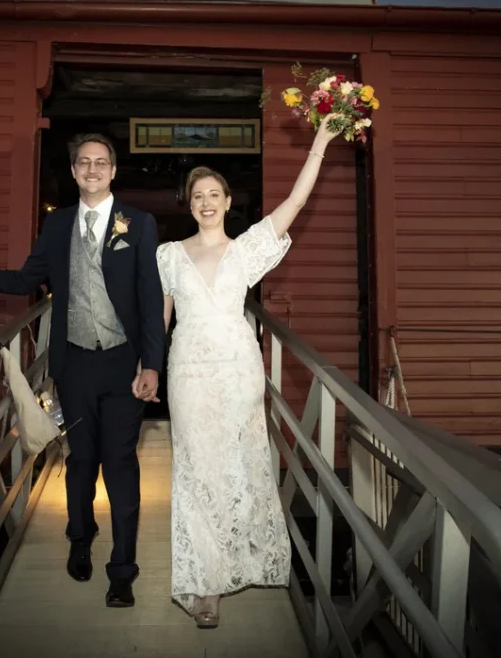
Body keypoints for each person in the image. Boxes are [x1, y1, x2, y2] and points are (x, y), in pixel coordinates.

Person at [0, 133, 166, 609]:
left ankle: (122, 569)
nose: (92, 169)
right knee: (81, 461)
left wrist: (152, 365)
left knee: (121, 465)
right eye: (83, 162)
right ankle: (80, 540)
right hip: (76, 362)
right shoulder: (58, 225)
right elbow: (26, 279)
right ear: (74, 171)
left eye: (100, 162)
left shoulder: (138, 224)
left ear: (113, 170)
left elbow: (150, 302)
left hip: (125, 364)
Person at [150, 116, 343, 627]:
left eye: (215, 194)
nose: (207, 202)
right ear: (189, 205)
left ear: (228, 202)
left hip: (238, 370)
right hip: (188, 371)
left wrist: (320, 143)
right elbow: (160, 319)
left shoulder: (246, 250)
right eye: (198, 196)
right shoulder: (168, 256)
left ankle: (240, 559)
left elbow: (296, 204)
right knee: (196, 473)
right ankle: (205, 585)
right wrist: (146, 367)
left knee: (239, 467)